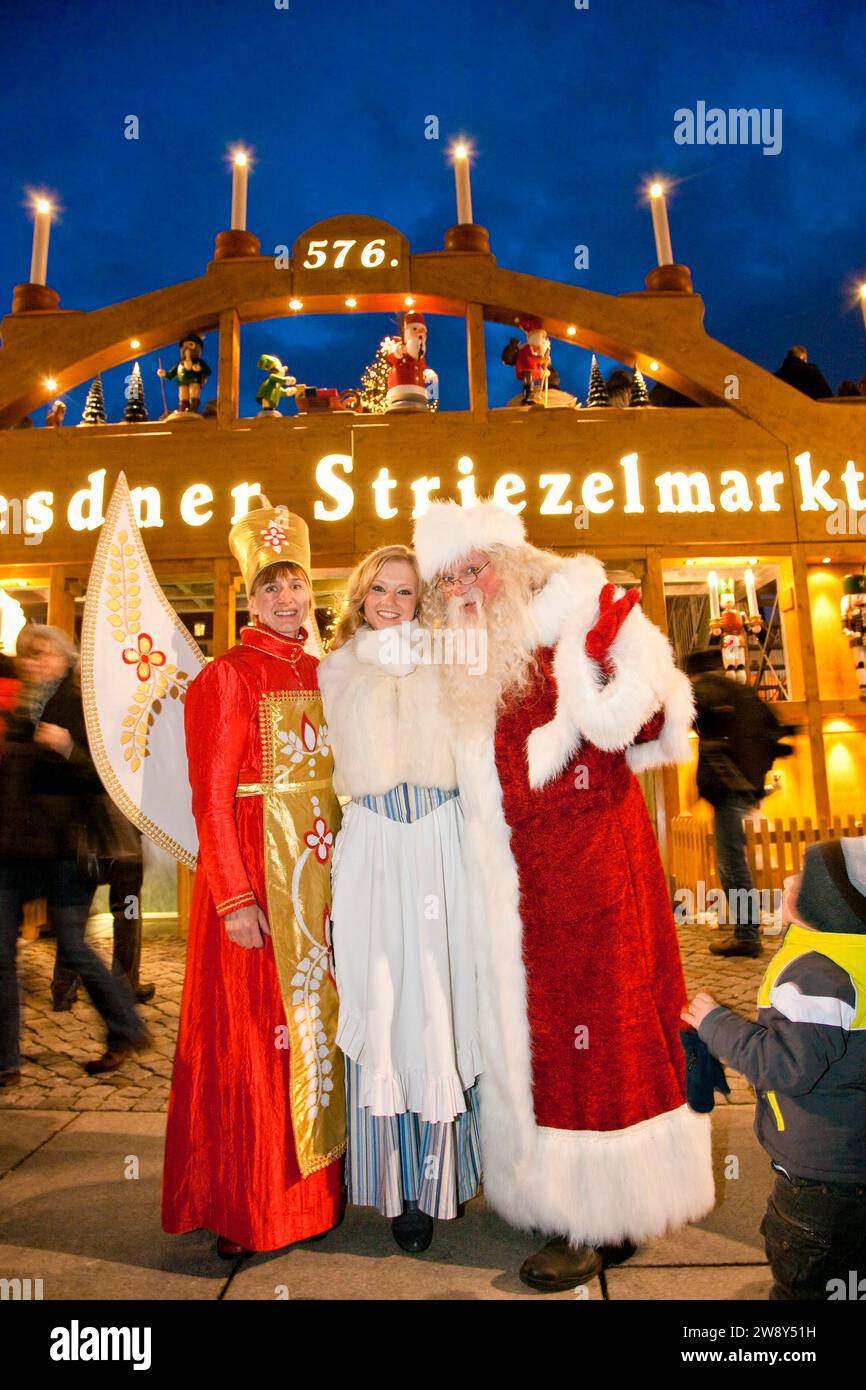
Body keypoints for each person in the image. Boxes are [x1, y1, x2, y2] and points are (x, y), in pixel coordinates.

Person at [413, 500, 714, 1292]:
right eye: (446, 580)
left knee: (597, 1036)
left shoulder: (573, 620)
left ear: (508, 563)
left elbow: (650, 723)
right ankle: (594, 1207)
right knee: (534, 1042)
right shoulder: (467, 659)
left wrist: (603, 657)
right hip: (511, 892)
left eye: (472, 567)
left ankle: (585, 1221)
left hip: (592, 879)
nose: (461, 587)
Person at [162, 505, 345, 1259]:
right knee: (253, 1047)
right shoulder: (225, 675)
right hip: (258, 885)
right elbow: (208, 796)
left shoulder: (328, 672)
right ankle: (252, 1203)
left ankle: (316, 1199)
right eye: (271, 586)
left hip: (321, 880)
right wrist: (233, 898)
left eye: (295, 582)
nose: (286, 597)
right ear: (250, 594)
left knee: (316, 1037)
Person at [318, 545, 481, 1254]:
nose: (390, 601)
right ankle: (399, 1191)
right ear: (360, 596)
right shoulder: (333, 670)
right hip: (375, 845)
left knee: (441, 1002)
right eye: (379, 589)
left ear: (423, 600)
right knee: (382, 1004)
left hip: (442, 842)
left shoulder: (452, 659)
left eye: (405, 592)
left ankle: (444, 1178)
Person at [683, 839, 866, 1301]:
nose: (786, 881)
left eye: (803, 881)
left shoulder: (815, 976)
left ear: (823, 908)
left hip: (819, 1181)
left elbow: (786, 1067)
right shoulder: (849, 956)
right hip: (850, 1164)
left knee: (806, 1281)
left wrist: (716, 1024)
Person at [0, 625, 148, 1086]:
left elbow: (106, 776)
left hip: (65, 848)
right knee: (2, 954)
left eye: (43, 653)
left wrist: (67, 749)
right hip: (13, 848)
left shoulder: (82, 706)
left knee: (74, 945)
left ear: (66, 658)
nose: (33, 661)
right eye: (27, 654)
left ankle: (125, 1028)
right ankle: (6, 1060)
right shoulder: (20, 707)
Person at [687, 648, 794, 957]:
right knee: (733, 860)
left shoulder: (705, 688)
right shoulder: (743, 693)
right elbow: (775, 731)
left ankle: (747, 934)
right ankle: (747, 931)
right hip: (746, 785)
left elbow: (694, 707)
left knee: (731, 863)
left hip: (728, 786)